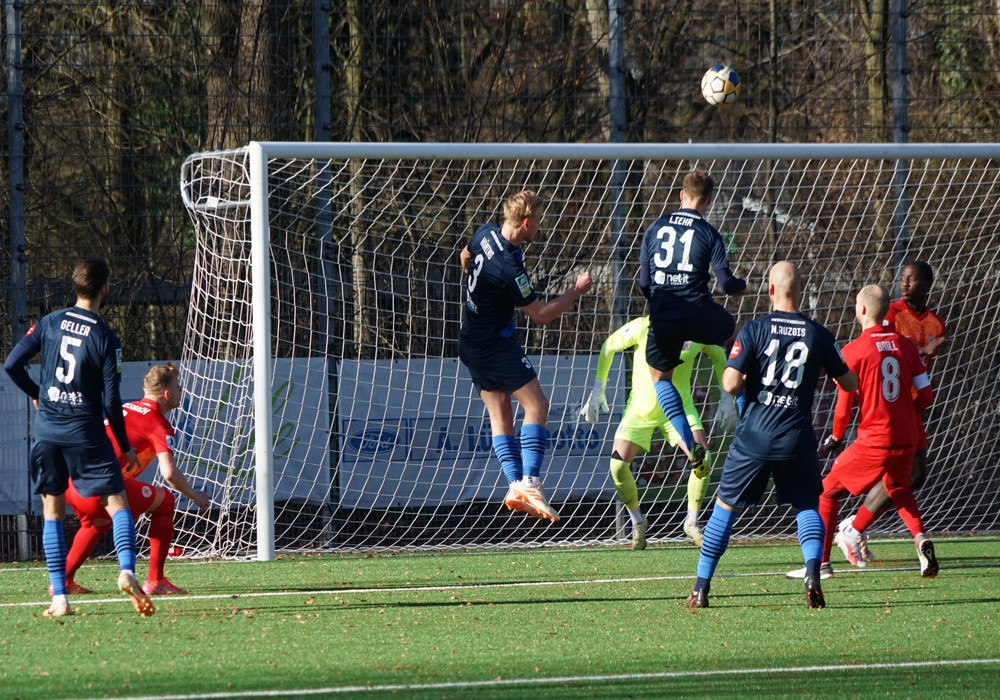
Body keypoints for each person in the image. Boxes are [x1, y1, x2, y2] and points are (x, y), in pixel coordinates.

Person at [686, 261, 857, 610]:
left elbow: (730, 384)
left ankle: (701, 589)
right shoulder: (819, 334)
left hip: (755, 437)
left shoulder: (754, 330)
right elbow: (850, 383)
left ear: (770, 290)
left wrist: (751, 378)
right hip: (797, 437)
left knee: (725, 507)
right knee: (807, 504)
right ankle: (813, 573)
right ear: (801, 290)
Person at [3, 258, 155, 618]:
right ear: (104, 289)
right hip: (86, 432)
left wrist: (38, 393)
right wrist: (125, 447)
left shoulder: (49, 322)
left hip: (47, 431)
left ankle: (60, 598)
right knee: (117, 503)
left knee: (53, 512)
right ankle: (127, 571)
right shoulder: (106, 338)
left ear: (75, 286)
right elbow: (111, 402)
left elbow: (11, 364)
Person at [458, 190, 592, 522]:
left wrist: (481, 291)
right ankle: (531, 482)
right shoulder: (508, 266)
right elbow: (540, 315)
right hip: (494, 346)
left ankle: (516, 485)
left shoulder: (485, 231)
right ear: (527, 222)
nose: (541, 227)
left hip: (471, 341)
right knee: (537, 406)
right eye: (540, 221)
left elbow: (464, 256)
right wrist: (575, 290)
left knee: (500, 413)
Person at [812, 285, 939, 579]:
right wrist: (906, 413)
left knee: (827, 491)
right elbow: (926, 395)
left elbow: (843, 406)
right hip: (907, 438)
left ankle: (822, 565)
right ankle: (920, 538)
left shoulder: (853, 351)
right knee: (897, 488)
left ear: (862, 310)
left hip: (876, 440)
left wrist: (837, 436)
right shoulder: (906, 346)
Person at [581, 315, 737, 548]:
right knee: (617, 466)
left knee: (703, 459)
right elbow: (608, 347)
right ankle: (637, 521)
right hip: (640, 410)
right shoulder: (643, 326)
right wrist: (598, 388)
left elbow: (718, 355)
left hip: (680, 408)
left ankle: (692, 522)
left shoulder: (697, 329)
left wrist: (726, 396)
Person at [62, 363, 211, 595]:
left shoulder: (126, 408)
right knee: (166, 501)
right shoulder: (158, 423)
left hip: (73, 484)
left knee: (95, 524)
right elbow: (169, 473)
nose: (181, 390)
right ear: (167, 394)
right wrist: (195, 496)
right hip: (102, 488)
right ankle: (156, 580)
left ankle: (63, 580)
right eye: (178, 386)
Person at [638, 171, 747, 475]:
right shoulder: (709, 234)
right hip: (698, 312)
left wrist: (660, 302)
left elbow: (644, 283)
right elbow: (725, 283)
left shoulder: (654, 228)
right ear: (709, 200)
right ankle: (747, 417)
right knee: (740, 338)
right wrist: (741, 287)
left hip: (664, 314)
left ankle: (689, 443)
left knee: (661, 379)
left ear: (681, 195)